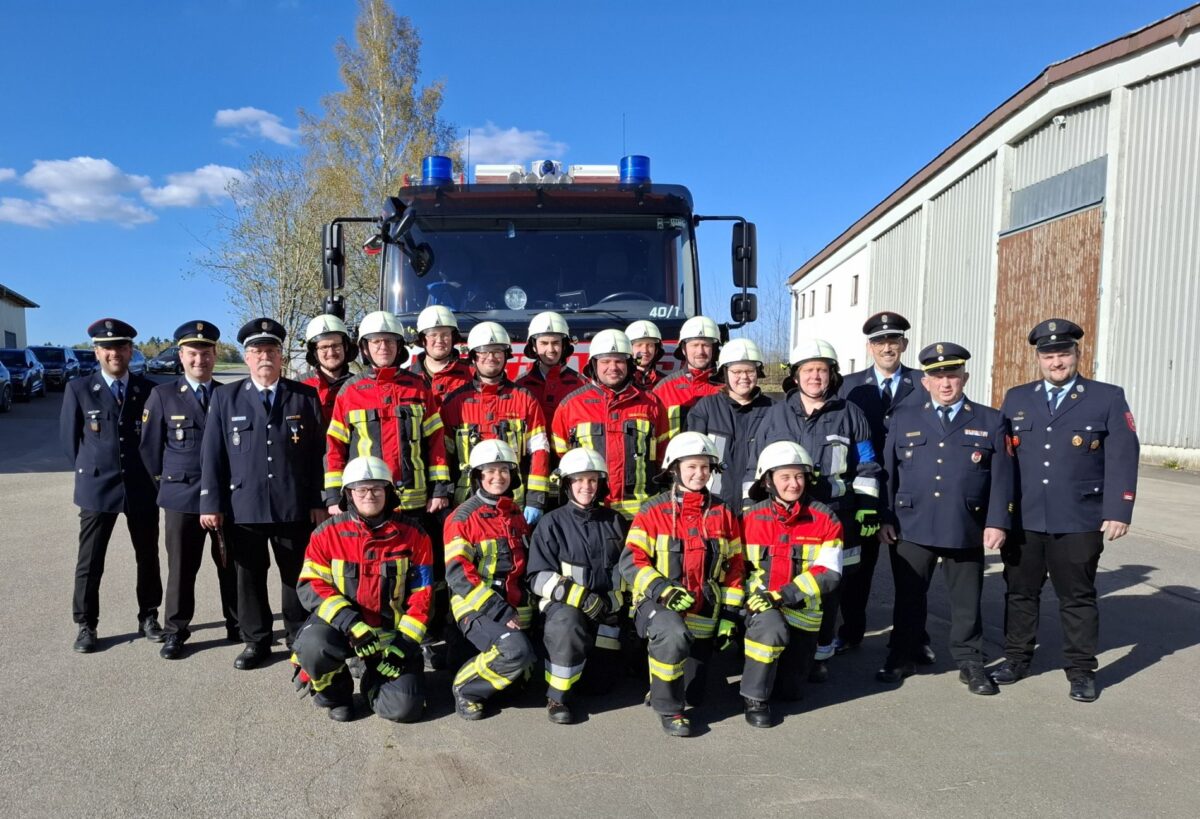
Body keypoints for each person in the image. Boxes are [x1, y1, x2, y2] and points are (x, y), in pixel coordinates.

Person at [996, 319, 1139, 703]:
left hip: (1079, 518)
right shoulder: (1017, 398)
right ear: (1038, 358)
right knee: (1020, 593)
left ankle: (1080, 670)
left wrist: (1119, 509)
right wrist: (998, 516)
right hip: (1025, 519)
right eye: (1048, 355)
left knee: (1077, 597)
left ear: (1077, 354)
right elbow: (1005, 461)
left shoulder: (1106, 397)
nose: (1056, 362)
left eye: (1063, 353)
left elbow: (1124, 456)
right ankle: (1016, 658)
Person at [877, 342, 1012, 696]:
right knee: (908, 596)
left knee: (967, 601)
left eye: (952, 375)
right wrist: (885, 516)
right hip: (912, 524)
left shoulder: (990, 419)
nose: (945, 383)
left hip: (965, 524)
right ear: (925, 382)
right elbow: (888, 473)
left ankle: (970, 661)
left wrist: (998, 522)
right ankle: (902, 654)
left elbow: (1002, 479)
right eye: (937, 377)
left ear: (964, 378)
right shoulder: (904, 417)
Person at [199, 318, 325, 670]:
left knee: (295, 575)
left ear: (281, 356)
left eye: (271, 350)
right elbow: (213, 454)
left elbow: (319, 454)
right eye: (257, 351)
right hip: (244, 505)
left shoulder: (304, 396)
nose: (264, 357)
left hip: (294, 505)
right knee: (249, 576)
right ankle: (256, 640)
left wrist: (318, 500)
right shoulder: (226, 397)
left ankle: (299, 637)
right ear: (247, 358)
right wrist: (211, 503)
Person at [756, 338, 880, 679]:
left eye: (822, 370)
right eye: (808, 370)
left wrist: (868, 507)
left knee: (829, 588)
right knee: (783, 580)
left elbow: (867, 464)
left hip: (835, 516)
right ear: (795, 376)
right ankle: (782, 649)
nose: (815, 376)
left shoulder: (851, 415)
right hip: (787, 520)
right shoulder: (775, 415)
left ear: (832, 376)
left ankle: (819, 655)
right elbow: (760, 465)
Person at [620, 432, 744, 737]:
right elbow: (631, 561)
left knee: (696, 694)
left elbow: (736, 566)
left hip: (704, 605)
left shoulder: (723, 512)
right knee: (672, 634)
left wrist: (729, 614)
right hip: (656, 604)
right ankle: (668, 709)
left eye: (705, 467)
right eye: (691, 467)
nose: (699, 474)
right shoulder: (652, 510)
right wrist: (663, 589)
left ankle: (670, 683)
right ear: (674, 468)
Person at [293, 456, 433, 722]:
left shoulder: (415, 535)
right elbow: (311, 584)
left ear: (389, 492)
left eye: (377, 488)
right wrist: (351, 623)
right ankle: (337, 694)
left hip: (392, 634)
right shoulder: (326, 534)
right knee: (313, 647)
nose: (370, 495)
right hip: (343, 630)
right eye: (361, 489)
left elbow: (423, 594)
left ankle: (372, 681)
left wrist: (404, 644)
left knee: (405, 709)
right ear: (349, 493)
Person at [837, 310, 933, 662]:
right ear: (869, 347)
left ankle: (914, 637)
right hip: (863, 490)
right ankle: (851, 631)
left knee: (911, 573)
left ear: (904, 344)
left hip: (910, 491)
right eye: (880, 342)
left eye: (893, 341)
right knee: (857, 569)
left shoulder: (924, 384)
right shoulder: (848, 385)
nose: (887, 347)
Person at [61, 318, 162, 653]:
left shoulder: (148, 390)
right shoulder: (78, 389)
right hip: (97, 487)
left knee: (147, 555)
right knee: (90, 561)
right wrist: (92, 470)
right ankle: (86, 625)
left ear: (131, 350)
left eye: (121, 346)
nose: (114, 353)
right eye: (107, 347)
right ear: (96, 352)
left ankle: (149, 615)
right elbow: (70, 443)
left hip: (141, 486)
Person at [139, 320, 238, 659]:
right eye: (193, 353)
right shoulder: (162, 396)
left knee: (231, 562)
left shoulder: (228, 395)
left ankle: (236, 622)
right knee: (182, 567)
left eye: (207, 353)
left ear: (215, 355)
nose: (200, 360)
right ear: (181, 356)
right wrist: (169, 483)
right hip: (182, 497)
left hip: (226, 496)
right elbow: (150, 452)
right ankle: (176, 630)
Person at [740, 441, 843, 727]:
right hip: (761, 608)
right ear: (768, 480)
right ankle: (754, 698)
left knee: (791, 692)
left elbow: (829, 571)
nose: (794, 484)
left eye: (799, 476)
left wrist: (784, 595)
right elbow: (735, 567)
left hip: (803, 613)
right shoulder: (749, 518)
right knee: (769, 631)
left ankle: (777, 672)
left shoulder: (825, 518)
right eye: (785, 477)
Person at [527, 447, 629, 724]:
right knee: (568, 624)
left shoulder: (616, 521)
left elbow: (629, 568)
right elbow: (536, 576)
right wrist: (582, 599)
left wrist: (616, 607)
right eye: (579, 480)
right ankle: (556, 697)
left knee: (601, 687)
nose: (586, 486)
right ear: (567, 484)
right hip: (567, 610)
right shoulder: (552, 523)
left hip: (606, 613)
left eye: (593, 480)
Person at [324, 310, 451, 515]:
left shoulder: (419, 387)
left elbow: (436, 441)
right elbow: (335, 447)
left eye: (390, 341)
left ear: (399, 346)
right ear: (365, 348)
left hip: (416, 504)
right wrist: (333, 496)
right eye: (376, 342)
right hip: (368, 502)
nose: (384, 347)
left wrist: (439, 490)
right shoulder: (350, 391)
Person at [444, 440, 537, 720]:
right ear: (477, 477)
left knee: (524, 682)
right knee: (515, 652)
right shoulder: (462, 517)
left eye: (504, 470)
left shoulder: (515, 513)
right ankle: (466, 689)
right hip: (477, 604)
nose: (498, 477)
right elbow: (458, 573)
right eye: (490, 471)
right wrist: (498, 610)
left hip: (514, 604)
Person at [439, 321, 550, 525]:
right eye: (484, 351)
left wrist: (536, 499)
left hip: (515, 505)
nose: (491, 357)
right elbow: (443, 455)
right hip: (467, 503)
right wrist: (442, 494)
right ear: (473, 356)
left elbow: (540, 451)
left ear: (506, 355)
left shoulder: (525, 399)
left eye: (498, 351)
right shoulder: (455, 403)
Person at [550, 329, 668, 519]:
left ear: (630, 364)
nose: (613, 367)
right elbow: (560, 460)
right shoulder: (570, 406)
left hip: (641, 516)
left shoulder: (652, 404)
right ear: (594, 365)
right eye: (605, 361)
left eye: (619, 361)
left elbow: (663, 458)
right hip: (589, 515)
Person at [686, 337, 774, 513]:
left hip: (761, 509)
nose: (744, 377)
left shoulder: (774, 411)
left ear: (758, 372)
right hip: (714, 507)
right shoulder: (706, 408)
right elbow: (690, 460)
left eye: (749, 371)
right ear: (725, 373)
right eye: (736, 372)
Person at [653, 315, 723, 438]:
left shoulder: (727, 388)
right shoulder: (664, 389)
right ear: (684, 349)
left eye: (706, 345)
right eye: (694, 345)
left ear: (714, 349)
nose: (700, 351)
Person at [516, 311, 586, 426]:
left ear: (564, 345)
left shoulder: (582, 385)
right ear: (534, 346)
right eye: (544, 343)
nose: (551, 349)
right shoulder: (520, 386)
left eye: (555, 343)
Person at [301, 314, 356, 430]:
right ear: (314, 352)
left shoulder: (358, 387)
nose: (331, 353)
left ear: (345, 347)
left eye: (336, 345)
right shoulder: (299, 387)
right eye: (324, 347)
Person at [408, 305, 473, 401]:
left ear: (453, 338)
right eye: (433, 335)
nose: (439, 340)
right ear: (422, 339)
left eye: (445, 335)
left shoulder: (472, 374)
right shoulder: (407, 377)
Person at [625, 319, 665, 390]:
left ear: (656, 350)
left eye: (650, 345)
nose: (645, 350)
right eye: (639, 345)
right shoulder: (619, 382)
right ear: (628, 348)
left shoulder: (665, 382)